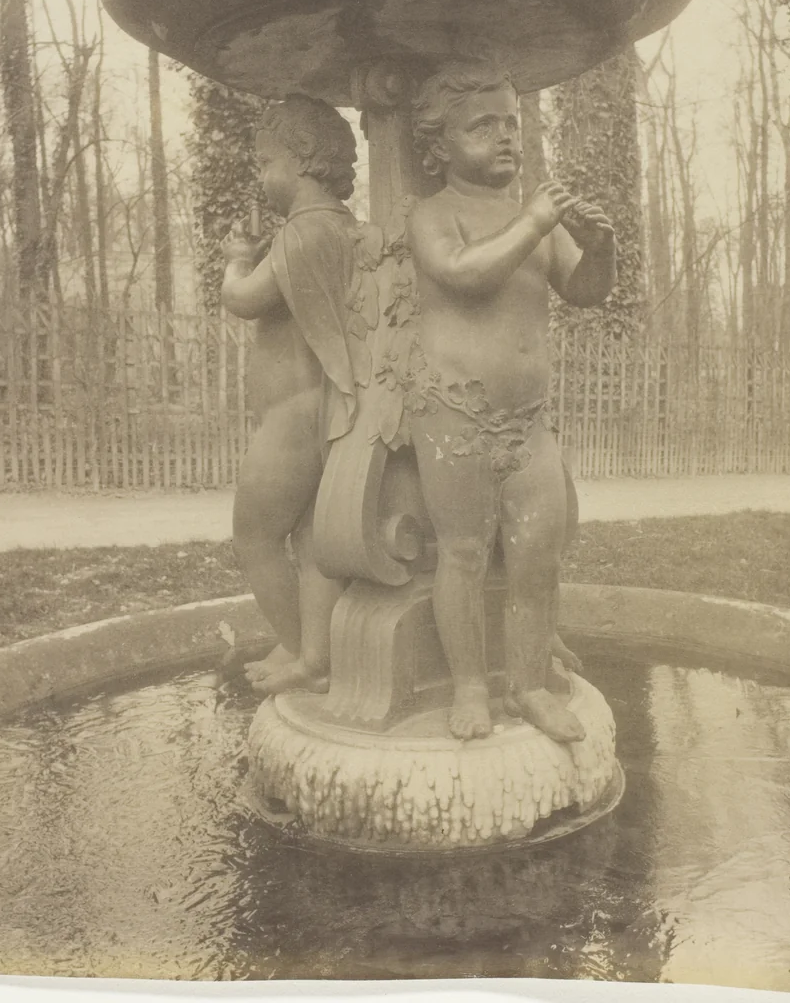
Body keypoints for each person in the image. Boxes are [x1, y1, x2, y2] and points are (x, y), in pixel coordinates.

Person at [406, 60, 616, 743]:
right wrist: (534, 220)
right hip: (456, 418)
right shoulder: (433, 213)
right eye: (482, 126)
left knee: (536, 556)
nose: (504, 137)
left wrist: (601, 249)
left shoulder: (534, 218)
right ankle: (469, 684)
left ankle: (527, 685)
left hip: (528, 425)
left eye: (511, 124)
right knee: (462, 555)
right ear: (439, 145)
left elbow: (581, 292)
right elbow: (461, 275)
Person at [220, 95, 362, 697]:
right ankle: (306, 647)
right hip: (318, 414)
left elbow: (245, 299)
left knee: (253, 535)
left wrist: (233, 262)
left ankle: (310, 656)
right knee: (308, 542)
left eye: (265, 161)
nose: (260, 175)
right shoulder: (346, 229)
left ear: (302, 160)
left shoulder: (302, 233)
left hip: (294, 418)